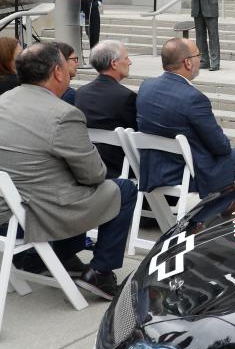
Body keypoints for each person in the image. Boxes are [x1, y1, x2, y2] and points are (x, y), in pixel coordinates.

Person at [0, 42, 137, 300]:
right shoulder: (63, 114)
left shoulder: (4, 100)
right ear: (57, 72)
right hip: (39, 211)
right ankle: (101, 272)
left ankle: (62, 255)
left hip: (8, 207)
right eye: (67, 65)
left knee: (71, 182)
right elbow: (94, 175)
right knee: (123, 189)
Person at [136, 38, 235, 200]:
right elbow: (221, 147)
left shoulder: (146, 87)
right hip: (188, 172)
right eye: (198, 55)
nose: (200, 60)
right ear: (187, 63)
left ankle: (226, 209)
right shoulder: (193, 98)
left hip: (154, 170)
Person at [75, 40, 136, 179]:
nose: (130, 62)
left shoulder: (81, 93)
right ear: (114, 63)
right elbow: (136, 135)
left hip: (92, 164)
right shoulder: (126, 96)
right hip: (121, 168)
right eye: (126, 58)